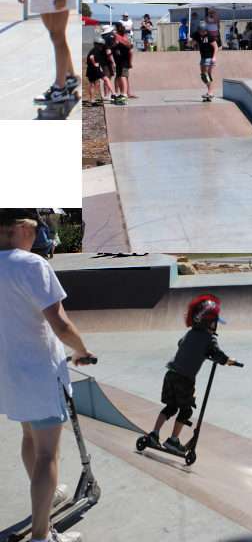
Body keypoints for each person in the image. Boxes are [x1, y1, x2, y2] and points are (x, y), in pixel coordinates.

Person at [0, 208, 95, 542]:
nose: (40, 233)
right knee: (47, 454)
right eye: (36, 227)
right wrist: (82, 350)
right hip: (39, 372)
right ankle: (42, 536)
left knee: (30, 439)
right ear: (18, 228)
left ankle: (47, 495)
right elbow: (61, 324)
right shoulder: (31, 265)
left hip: (8, 374)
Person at [146, 294, 239, 455]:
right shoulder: (209, 339)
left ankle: (154, 434)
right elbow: (217, 354)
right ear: (209, 322)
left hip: (171, 374)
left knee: (171, 407)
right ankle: (173, 441)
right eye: (214, 322)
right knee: (186, 410)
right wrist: (228, 360)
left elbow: (180, 344)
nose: (215, 325)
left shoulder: (189, 333)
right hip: (184, 379)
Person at [191, 21, 218, 101]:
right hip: (203, 57)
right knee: (203, 75)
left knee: (207, 75)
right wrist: (190, 42)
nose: (203, 33)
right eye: (202, 32)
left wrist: (214, 57)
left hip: (209, 57)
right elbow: (192, 44)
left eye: (205, 31)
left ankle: (210, 92)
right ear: (199, 31)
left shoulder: (210, 36)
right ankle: (210, 92)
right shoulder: (197, 35)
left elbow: (216, 47)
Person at [85, 34, 112, 106]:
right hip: (93, 69)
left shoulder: (97, 50)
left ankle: (92, 100)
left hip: (93, 69)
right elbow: (91, 57)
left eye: (102, 45)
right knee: (95, 83)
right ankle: (113, 94)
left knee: (94, 84)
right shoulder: (95, 50)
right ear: (96, 44)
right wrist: (95, 64)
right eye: (100, 45)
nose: (101, 46)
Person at [110, 21, 133, 105]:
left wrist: (130, 62)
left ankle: (124, 95)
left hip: (124, 61)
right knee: (120, 77)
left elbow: (129, 48)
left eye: (115, 28)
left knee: (123, 77)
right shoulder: (120, 37)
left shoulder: (121, 38)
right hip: (119, 61)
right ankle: (122, 93)